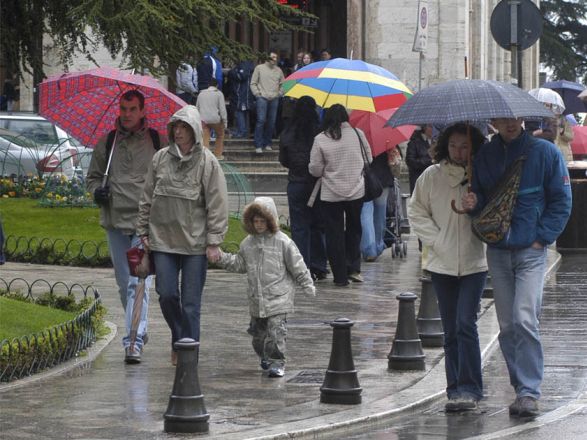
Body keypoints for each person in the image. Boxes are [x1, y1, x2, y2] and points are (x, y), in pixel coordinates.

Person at [462, 117, 572, 418]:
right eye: (502, 120)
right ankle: (519, 386)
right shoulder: (484, 155)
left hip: (530, 250)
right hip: (498, 250)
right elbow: (483, 199)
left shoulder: (545, 153)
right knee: (508, 326)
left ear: (521, 119)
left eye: (513, 119)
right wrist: (474, 204)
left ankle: (528, 391)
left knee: (524, 319)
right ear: (494, 121)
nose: (509, 124)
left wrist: (542, 238)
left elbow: (562, 200)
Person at [136, 105, 228, 365]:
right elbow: (147, 197)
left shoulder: (207, 162)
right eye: (175, 127)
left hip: (195, 243)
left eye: (184, 128)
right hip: (162, 239)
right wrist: (143, 231)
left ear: (195, 131)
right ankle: (180, 337)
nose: (178, 132)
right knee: (166, 294)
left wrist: (214, 241)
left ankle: (189, 353)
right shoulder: (160, 159)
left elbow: (217, 203)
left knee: (190, 304)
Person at [409, 123, 488, 412]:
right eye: (453, 145)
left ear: (473, 147)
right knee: (451, 329)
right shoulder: (431, 176)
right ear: (445, 146)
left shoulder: (481, 176)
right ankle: (454, 387)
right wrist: (437, 240)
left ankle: (471, 387)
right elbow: (416, 211)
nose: (458, 151)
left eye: (464, 146)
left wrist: (477, 203)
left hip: (474, 263)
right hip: (441, 265)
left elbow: (494, 211)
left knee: (466, 324)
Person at [86, 90, 165, 364]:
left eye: (133, 109)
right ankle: (137, 326)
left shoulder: (157, 142)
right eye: (124, 109)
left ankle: (133, 340)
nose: (127, 114)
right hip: (115, 220)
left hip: (144, 225)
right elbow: (92, 178)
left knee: (137, 283)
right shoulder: (108, 143)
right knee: (123, 285)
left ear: (143, 111)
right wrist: (98, 192)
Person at [217, 196, 315, 378]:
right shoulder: (247, 244)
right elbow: (239, 264)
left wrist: (306, 282)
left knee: (276, 332)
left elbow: (297, 264)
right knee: (258, 337)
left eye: (263, 221)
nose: (259, 225)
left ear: (271, 220)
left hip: (279, 297)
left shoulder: (283, 242)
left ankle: (277, 361)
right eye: (256, 221)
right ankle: (265, 356)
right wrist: (221, 258)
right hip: (257, 299)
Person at [309, 104, 370, 286]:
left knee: (333, 234)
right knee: (354, 229)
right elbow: (369, 158)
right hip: (356, 190)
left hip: (331, 193)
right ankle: (354, 268)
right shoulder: (358, 134)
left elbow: (315, 169)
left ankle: (340, 276)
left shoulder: (320, 139)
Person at [279, 96, 328, 281]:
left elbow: (283, 160)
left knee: (299, 227)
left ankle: (302, 266)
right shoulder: (319, 132)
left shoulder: (288, 132)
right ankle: (319, 264)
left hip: (296, 182)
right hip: (316, 183)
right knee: (317, 225)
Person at [359, 150, 395, 262]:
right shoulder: (386, 138)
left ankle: (369, 249)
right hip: (382, 180)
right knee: (380, 215)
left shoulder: (359, 136)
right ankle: (378, 246)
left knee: (365, 215)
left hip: (364, 180)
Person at [250, 51, 284, 154]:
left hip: (274, 98)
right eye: (273, 57)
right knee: (261, 120)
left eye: (276, 57)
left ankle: (267, 143)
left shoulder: (279, 70)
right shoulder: (259, 68)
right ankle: (258, 144)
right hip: (262, 98)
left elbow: (284, 84)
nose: (275, 59)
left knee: (271, 122)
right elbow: (253, 83)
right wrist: (257, 94)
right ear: (267, 58)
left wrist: (280, 93)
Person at [196, 78, 228, 160]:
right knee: (220, 135)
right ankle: (218, 155)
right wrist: (225, 122)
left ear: (208, 85)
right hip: (215, 120)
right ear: (217, 85)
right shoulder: (219, 94)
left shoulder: (201, 94)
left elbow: (197, 108)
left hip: (203, 119)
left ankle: (205, 156)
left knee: (205, 137)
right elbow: (222, 109)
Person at [228, 60, 255, 138]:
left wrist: (231, 72)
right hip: (246, 96)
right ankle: (243, 132)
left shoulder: (242, 67)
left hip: (240, 96)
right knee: (244, 114)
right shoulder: (250, 67)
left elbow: (240, 77)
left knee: (239, 113)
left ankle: (241, 132)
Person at [406, 124, 434, 194]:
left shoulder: (435, 142)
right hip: (419, 179)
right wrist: (429, 161)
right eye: (430, 126)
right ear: (424, 128)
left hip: (433, 180)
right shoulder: (414, 142)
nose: (433, 129)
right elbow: (410, 161)